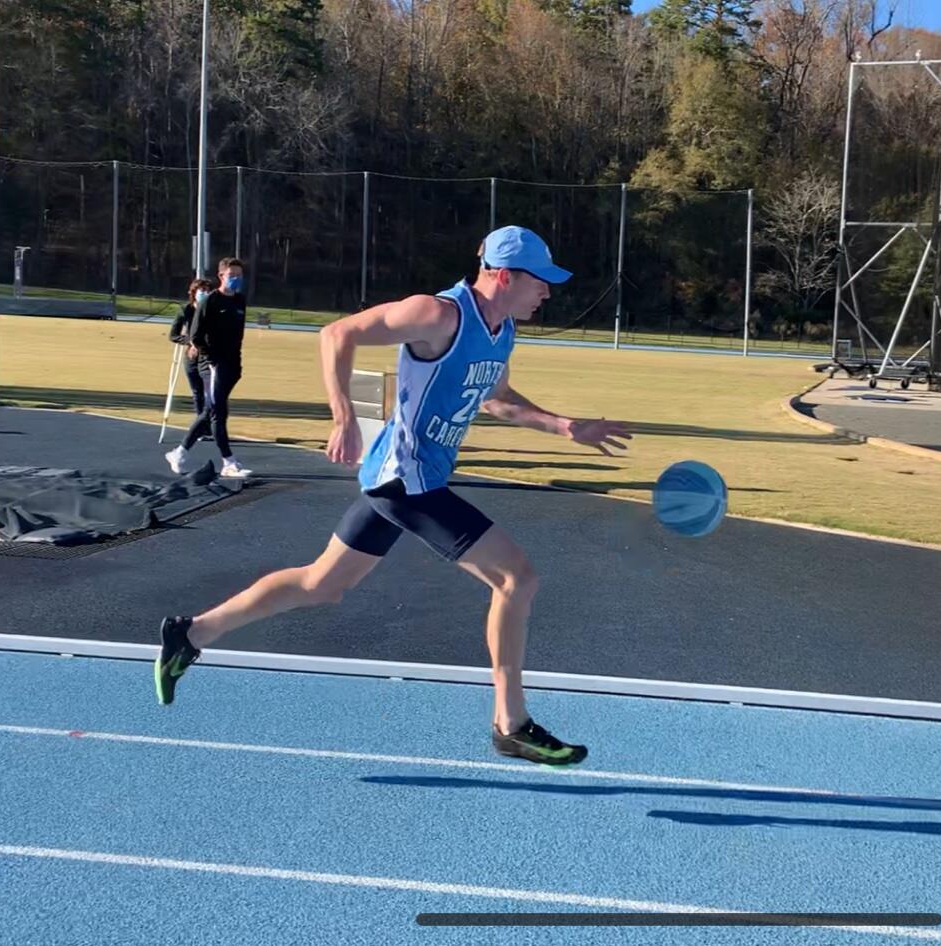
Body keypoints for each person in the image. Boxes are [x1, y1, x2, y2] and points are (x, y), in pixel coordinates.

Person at [152, 226, 634, 766]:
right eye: (540, 281)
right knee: (516, 578)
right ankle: (511, 722)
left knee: (322, 584)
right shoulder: (437, 314)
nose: (547, 292)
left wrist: (566, 426)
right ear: (502, 275)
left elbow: (496, 398)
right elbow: (337, 334)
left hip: (405, 480)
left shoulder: (501, 331)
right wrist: (343, 417)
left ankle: (191, 632)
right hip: (408, 481)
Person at [167, 258, 251, 479]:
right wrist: (211, 358)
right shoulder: (210, 302)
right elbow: (194, 336)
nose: (236, 279)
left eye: (239, 275)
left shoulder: (240, 301)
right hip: (212, 365)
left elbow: (238, 336)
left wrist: (236, 362)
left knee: (210, 411)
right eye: (231, 275)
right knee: (217, 412)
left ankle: (179, 452)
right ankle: (228, 462)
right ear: (221, 276)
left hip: (232, 365)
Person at [169, 276, 217, 440]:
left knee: (210, 393)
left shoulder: (213, 310)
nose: (204, 293)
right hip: (191, 357)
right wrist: (189, 342)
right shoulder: (186, 310)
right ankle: (202, 428)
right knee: (197, 393)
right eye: (201, 290)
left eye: (207, 290)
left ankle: (210, 424)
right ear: (194, 292)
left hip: (208, 357)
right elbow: (173, 335)